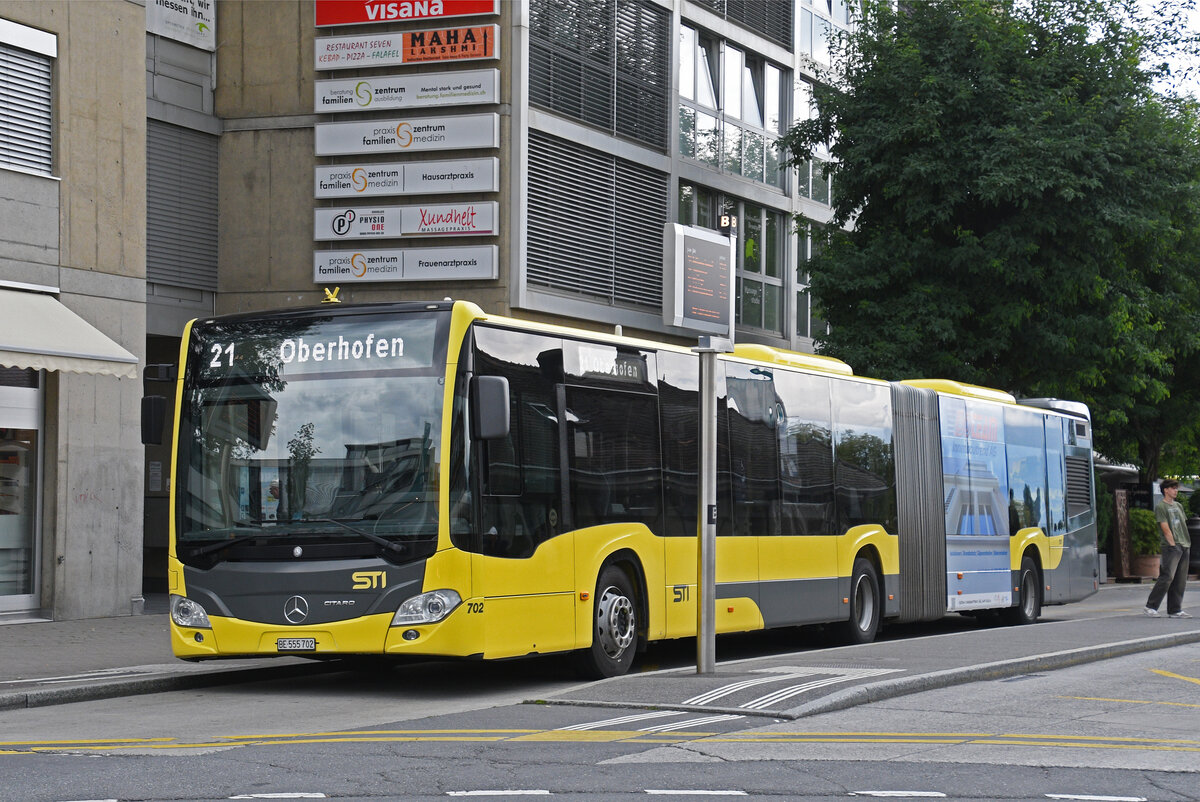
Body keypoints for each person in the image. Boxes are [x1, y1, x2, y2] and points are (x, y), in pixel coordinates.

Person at [1144, 479, 1192, 618]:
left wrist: (1185, 543)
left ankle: (1175, 610)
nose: (1176, 490)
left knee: (1180, 579)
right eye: (1173, 488)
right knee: (1167, 577)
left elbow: (1182, 524)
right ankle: (1150, 606)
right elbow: (1165, 528)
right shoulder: (1161, 507)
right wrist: (1173, 545)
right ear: (1166, 490)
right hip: (1171, 546)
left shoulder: (1178, 506)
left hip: (1184, 544)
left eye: (1176, 488)